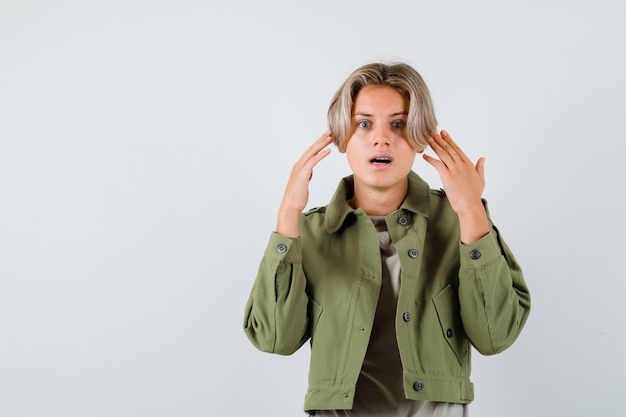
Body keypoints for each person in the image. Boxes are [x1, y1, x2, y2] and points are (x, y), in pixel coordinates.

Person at [243, 62, 531, 417]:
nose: (381, 138)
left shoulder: (462, 221)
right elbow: (273, 339)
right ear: (341, 137)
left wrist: (472, 213)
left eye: (398, 124)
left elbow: (495, 336)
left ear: (419, 135)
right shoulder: (309, 233)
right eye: (364, 123)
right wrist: (288, 214)